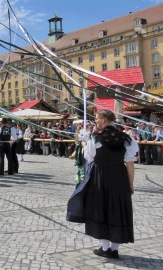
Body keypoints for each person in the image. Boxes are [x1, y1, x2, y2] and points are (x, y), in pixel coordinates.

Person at [67, 110, 138, 259]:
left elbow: (89, 157)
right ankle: (114, 249)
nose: (96, 121)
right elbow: (130, 164)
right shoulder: (127, 139)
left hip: (100, 177)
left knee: (100, 208)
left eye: (97, 118)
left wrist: (84, 144)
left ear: (104, 120)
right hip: (119, 176)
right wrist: (130, 184)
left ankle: (106, 248)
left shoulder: (95, 138)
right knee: (117, 208)